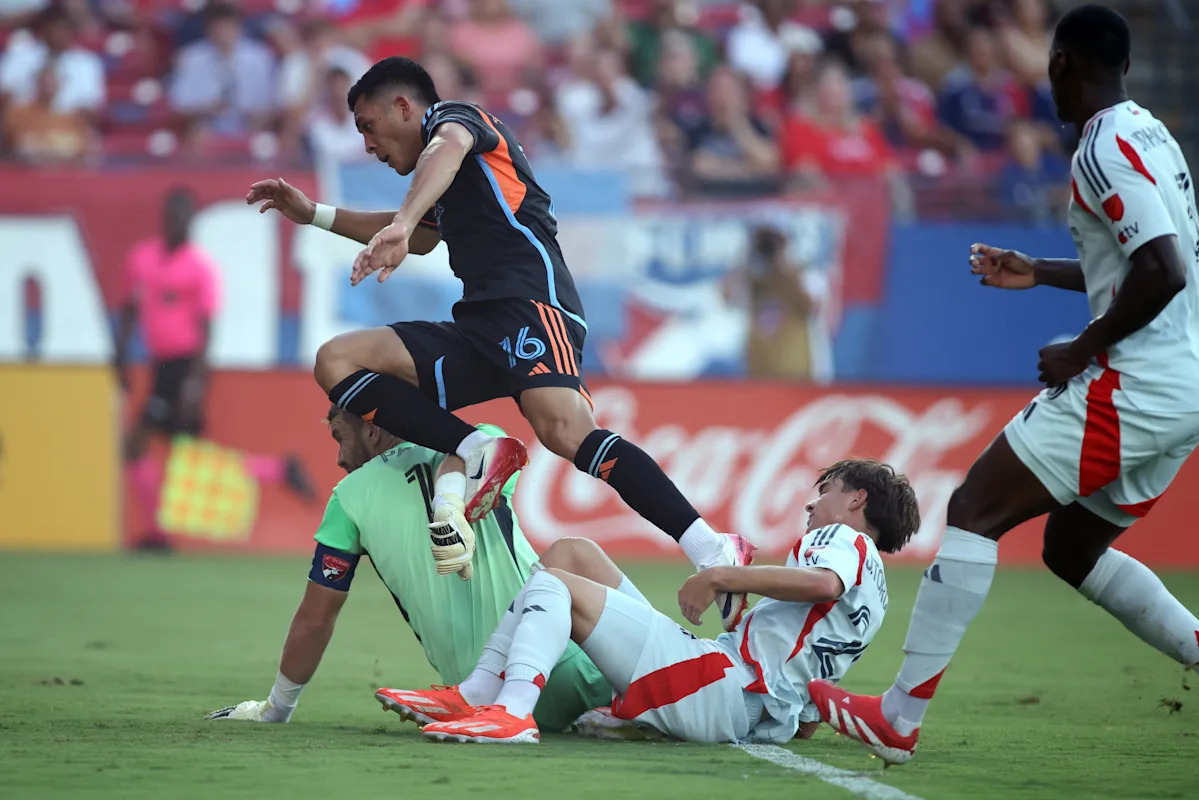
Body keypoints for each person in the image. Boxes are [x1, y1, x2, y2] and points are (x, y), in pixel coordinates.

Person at [810, 4, 1199, 766]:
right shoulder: (1150, 132)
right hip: (1184, 381)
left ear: (1059, 64)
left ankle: (897, 717)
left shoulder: (1101, 146)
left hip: (1135, 381)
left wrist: (1080, 349)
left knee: (973, 509)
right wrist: (1040, 271)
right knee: (1072, 546)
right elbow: (1149, 260)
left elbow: (1163, 269)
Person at [244, 56, 754, 630]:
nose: (366, 144)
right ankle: (475, 449)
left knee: (564, 431)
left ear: (404, 108)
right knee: (336, 361)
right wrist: (313, 213)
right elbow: (423, 238)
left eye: (368, 125)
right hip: (479, 326)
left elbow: (445, 154)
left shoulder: (458, 121)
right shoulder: (441, 180)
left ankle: (712, 547)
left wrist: (403, 222)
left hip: (533, 305)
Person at [378, 459, 920, 744]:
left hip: (722, 687)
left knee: (556, 585)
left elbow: (822, 583)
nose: (811, 504)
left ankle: (510, 711)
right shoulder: (877, 596)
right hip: (734, 699)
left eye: (826, 491)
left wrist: (718, 576)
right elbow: (805, 720)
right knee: (573, 554)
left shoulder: (842, 539)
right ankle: (483, 690)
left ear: (857, 499)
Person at [206, 410, 611, 732]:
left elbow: (316, 619)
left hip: (474, 697)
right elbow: (486, 451)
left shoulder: (347, 499)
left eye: (340, 436)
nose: (340, 457)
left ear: (372, 429)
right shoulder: (484, 440)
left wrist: (277, 707)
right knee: (574, 554)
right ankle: (633, 698)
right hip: (572, 672)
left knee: (570, 555)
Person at [114, 189, 314, 550]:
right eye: (173, 216)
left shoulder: (199, 268)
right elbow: (129, 308)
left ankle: (158, 535)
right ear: (165, 217)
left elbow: (207, 330)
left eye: (183, 217)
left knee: (142, 447)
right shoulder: (142, 258)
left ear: (192, 222)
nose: (177, 223)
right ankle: (279, 470)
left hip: (184, 366)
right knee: (187, 460)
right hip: (161, 365)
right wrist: (120, 354)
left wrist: (195, 384)